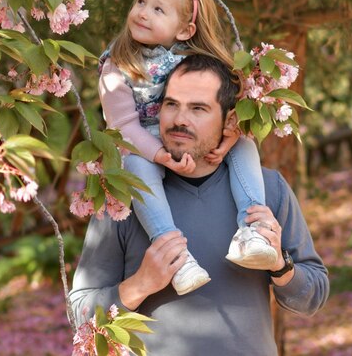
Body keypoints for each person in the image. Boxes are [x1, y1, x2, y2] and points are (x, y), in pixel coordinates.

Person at [70, 54, 329, 356]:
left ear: (229, 120)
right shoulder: (123, 197)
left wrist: (279, 266)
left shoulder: (268, 189)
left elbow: (314, 296)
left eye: (198, 108)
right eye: (171, 104)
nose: (180, 119)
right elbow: (79, 311)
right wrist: (140, 284)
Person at [98, 0, 276, 296]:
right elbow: (121, 126)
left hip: (190, 140)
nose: (142, 13)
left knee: (246, 147)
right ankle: (175, 254)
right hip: (143, 143)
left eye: (158, 9)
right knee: (135, 168)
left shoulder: (197, 59)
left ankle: (254, 230)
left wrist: (228, 138)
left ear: (184, 29)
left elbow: (237, 102)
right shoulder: (118, 63)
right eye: (140, 2)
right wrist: (160, 155)